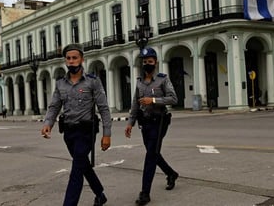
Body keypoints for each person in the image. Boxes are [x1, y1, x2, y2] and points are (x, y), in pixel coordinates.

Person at [41, 43, 112, 206]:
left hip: (86, 132)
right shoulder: (60, 83)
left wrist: (106, 134)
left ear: (81, 59)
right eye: (68, 58)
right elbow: (54, 106)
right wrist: (48, 123)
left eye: (75, 58)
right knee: (83, 166)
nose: (71, 61)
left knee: (76, 171)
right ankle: (100, 194)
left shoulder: (93, 82)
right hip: (69, 134)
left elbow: (104, 108)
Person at [125, 47, 179, 206]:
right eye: (144, 62)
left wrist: (153, 100)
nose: (146, 64)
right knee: (153, 153)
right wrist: (130, 122)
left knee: (150, 156)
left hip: (159, 121)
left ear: (155, 62)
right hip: (145, 123)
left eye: (149, 61)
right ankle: (171, 173)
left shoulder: (163, 79)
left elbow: (173, 98)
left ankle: (145, 193)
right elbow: (135, 103)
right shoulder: (139, 82)